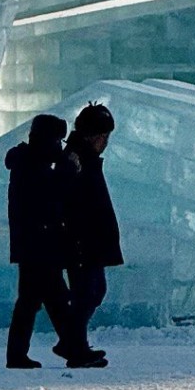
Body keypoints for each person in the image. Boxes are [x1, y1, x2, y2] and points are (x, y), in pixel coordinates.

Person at [4, 113, 107, 370]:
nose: (60, 147)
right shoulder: (32, 166)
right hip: (38, 245)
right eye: (57, 141)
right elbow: (49, 196)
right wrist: (70, 169)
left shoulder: (28, 162)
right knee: (51, 300)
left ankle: (62, 350)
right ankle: (73, 350)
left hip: (33, 245)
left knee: (38, 301)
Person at [60, 102, 124, 363]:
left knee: (91, 292)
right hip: (83, 241)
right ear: (94, 136)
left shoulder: (82, 158)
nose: (105, 142)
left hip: (89, 240)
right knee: (87, 293)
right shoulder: (76, 160)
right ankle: (75, 347)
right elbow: (73, 202)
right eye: (104, 137)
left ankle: (73, 344)